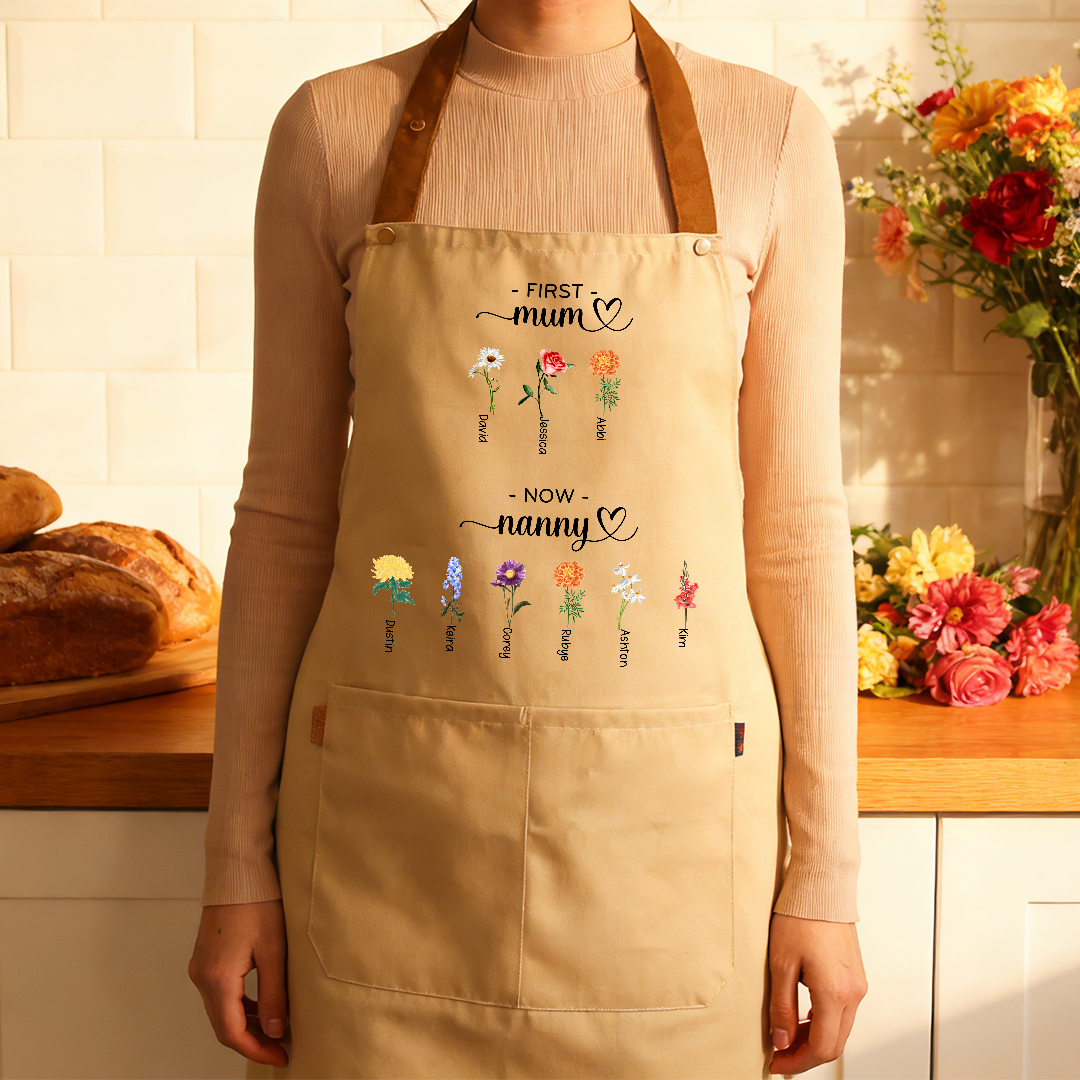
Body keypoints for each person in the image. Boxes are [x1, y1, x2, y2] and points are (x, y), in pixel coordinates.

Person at [188, 1, 868, 1076]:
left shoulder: (770, 133)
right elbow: (284, 519)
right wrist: (236, 866)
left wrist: (824, 883)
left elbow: (792, 531)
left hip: (668, 857)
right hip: (390, 843)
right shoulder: (331, 129)